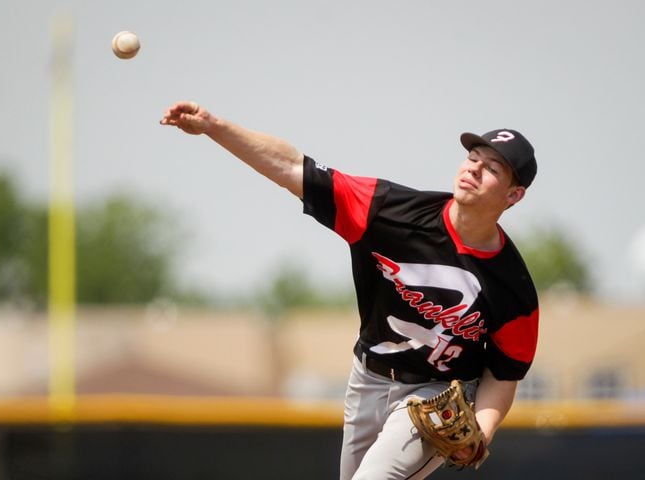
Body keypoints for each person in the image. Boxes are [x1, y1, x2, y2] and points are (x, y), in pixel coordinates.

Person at [160, 101, 539, 479]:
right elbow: (294, 167)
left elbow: (504, 373)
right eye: (473, 156)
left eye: (491, 168)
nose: (474, 167)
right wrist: (214, 126)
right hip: (367, 378)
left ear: (513, 195)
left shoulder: (512, 287)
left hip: (434, 396)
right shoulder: (389, 211)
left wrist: (481, 432)